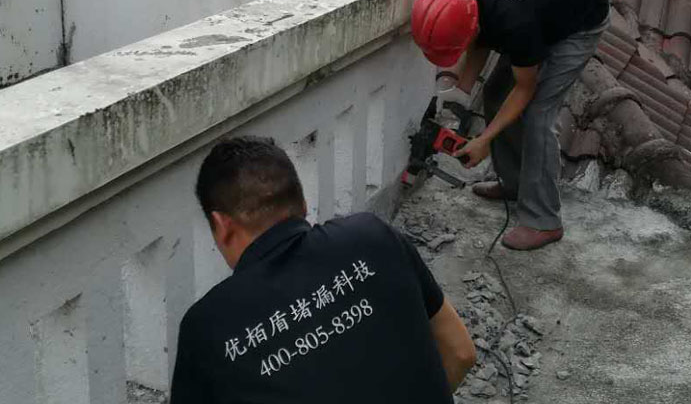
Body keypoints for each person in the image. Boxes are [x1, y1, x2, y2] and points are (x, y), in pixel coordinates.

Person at [171, 136, 475, 404]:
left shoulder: (207, 328)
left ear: (222, 225)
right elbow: (461, 352)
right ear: (303, 204)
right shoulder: (373, 237)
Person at [411, 0, 610, 251]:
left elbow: (524, 89)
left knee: (537, 116)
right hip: (542, 8)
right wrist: (461, 93)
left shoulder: (515, 21)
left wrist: (485, 140)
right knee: (493, 93)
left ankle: (544, 221)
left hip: (580, 20)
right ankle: (515, 182)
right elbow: (479, 38)